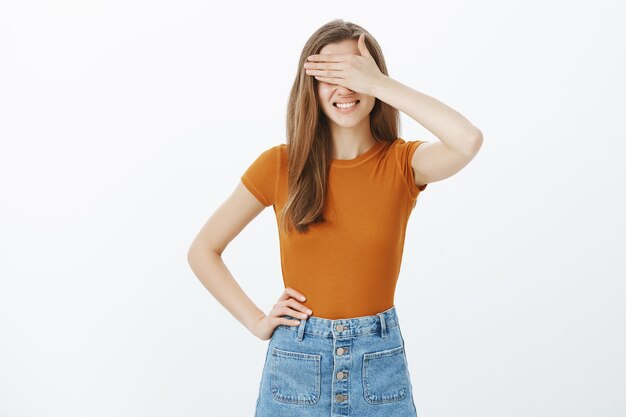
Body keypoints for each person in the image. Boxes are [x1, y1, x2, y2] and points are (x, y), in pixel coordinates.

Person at [187, 19, 482, 417]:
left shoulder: (402, 163)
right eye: (330, 75)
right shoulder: (279, 165)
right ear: (310, 86)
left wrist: (379, 84)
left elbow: (467, 141)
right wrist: (257, 322)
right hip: (296, 362)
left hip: (378, 364)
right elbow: (203, 250)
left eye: (354, 73)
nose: (344, 88)